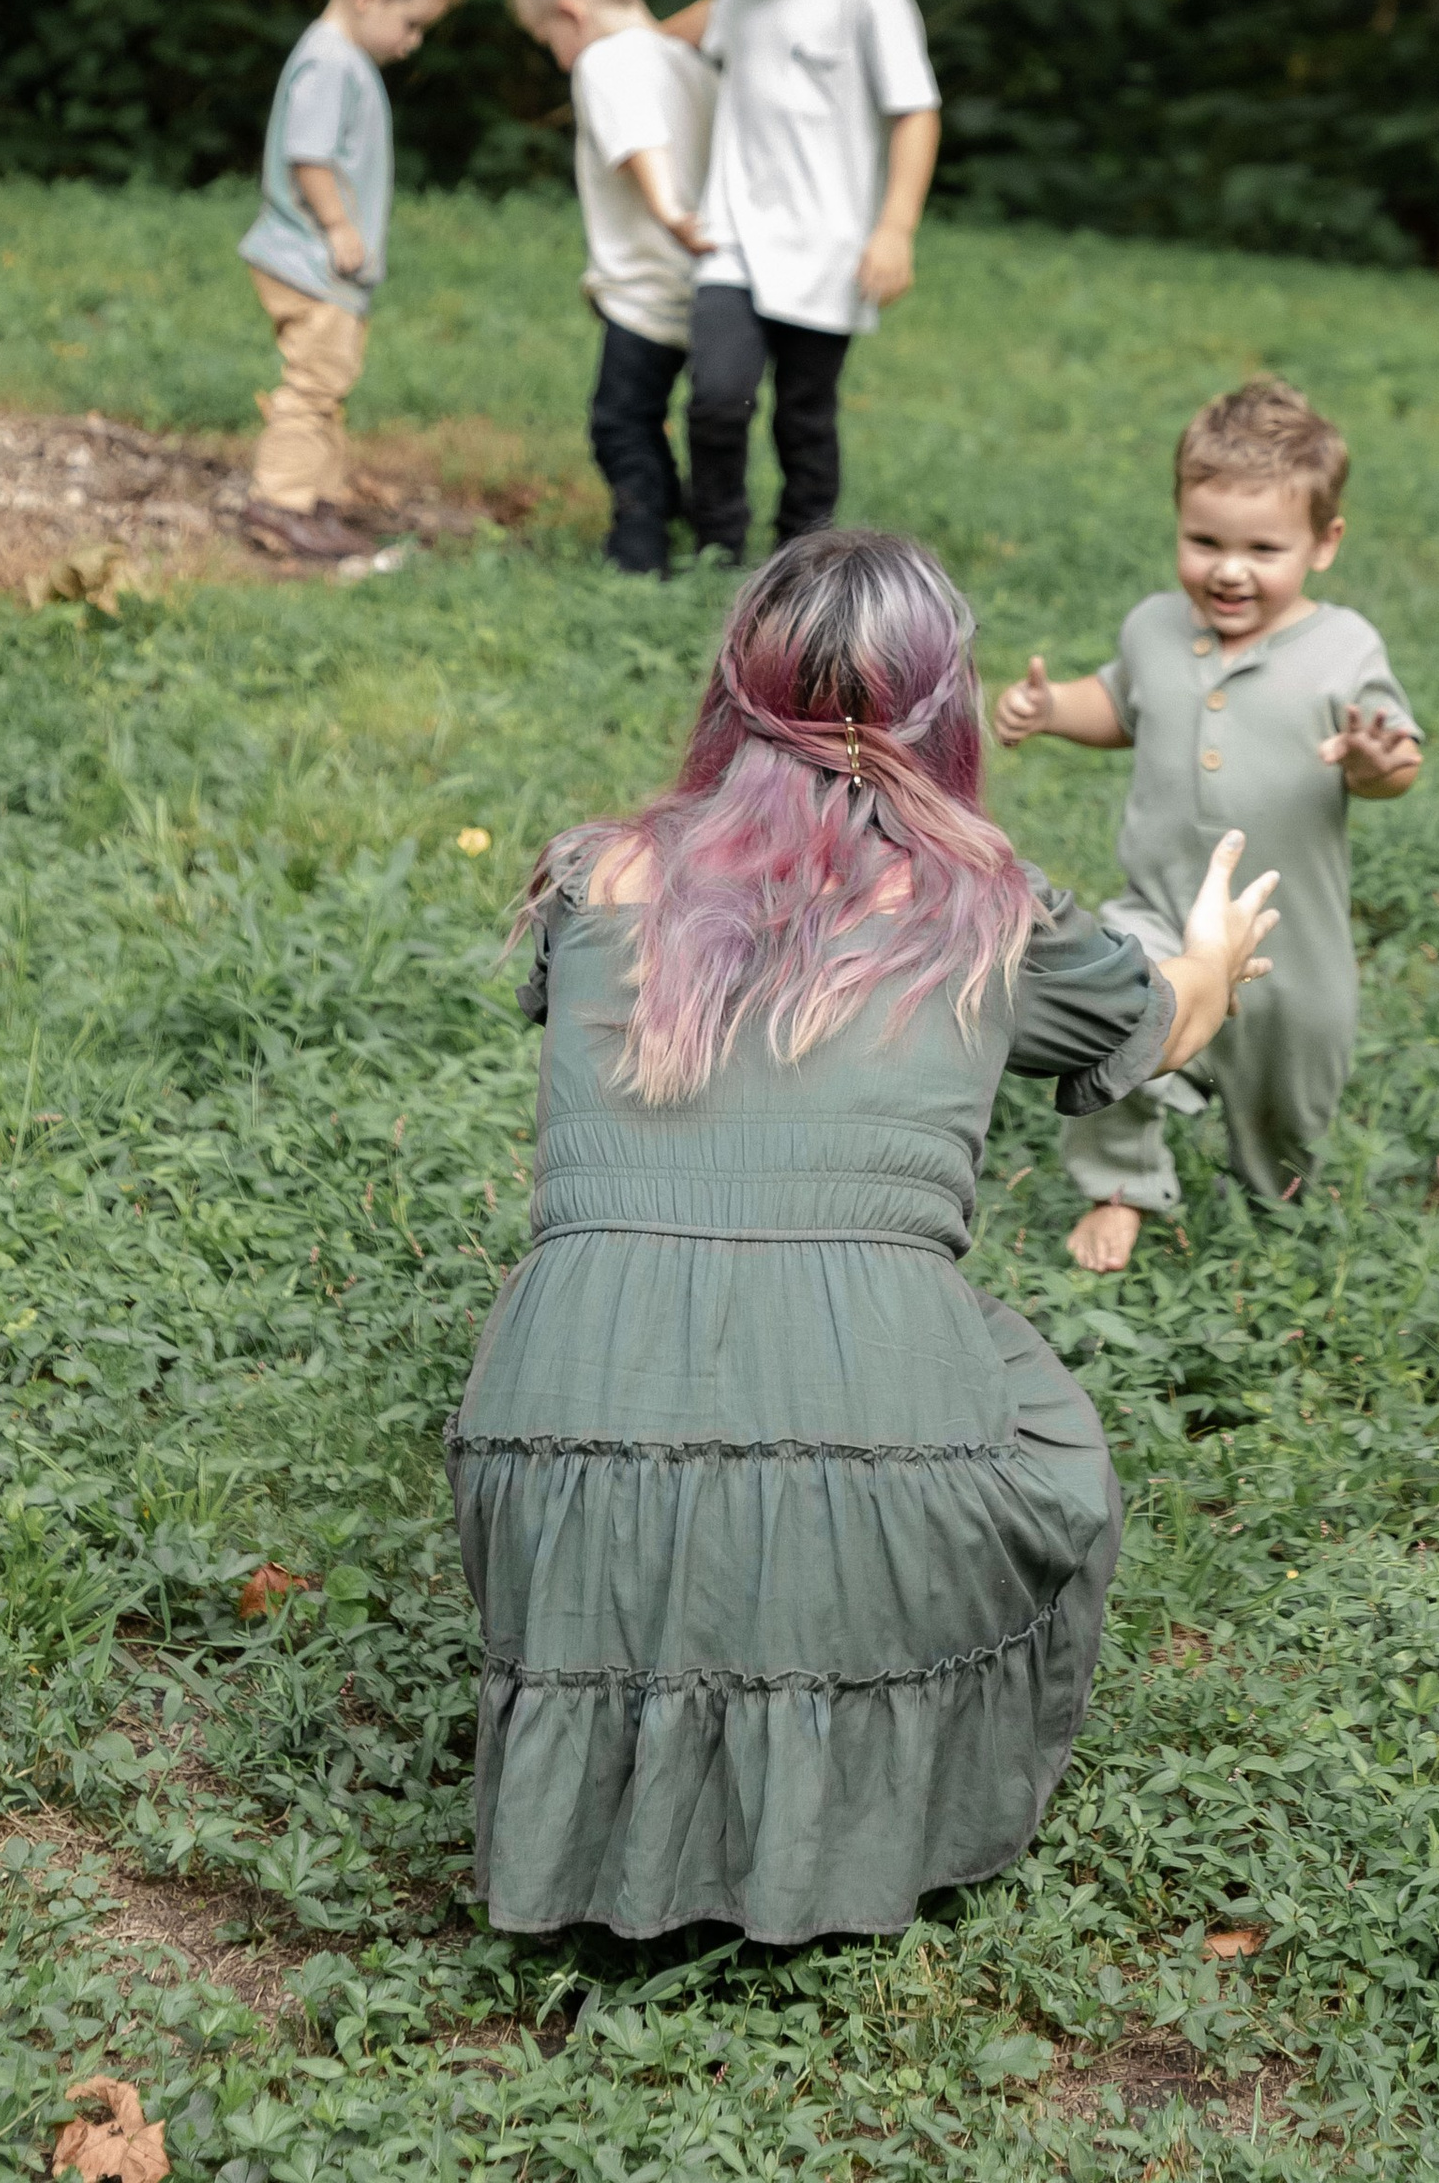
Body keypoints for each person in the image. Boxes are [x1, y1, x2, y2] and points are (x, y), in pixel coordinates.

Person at [450, 527, 1278, 1943]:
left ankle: (603, 1822)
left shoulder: (596, 877)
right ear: (944, 710)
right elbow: (1168, 1024)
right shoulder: (991, 911)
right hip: (871, 1438)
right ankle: (837, 1818)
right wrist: (1208, 957)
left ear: (731, 689)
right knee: (1021, 1432)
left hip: (559, 1422)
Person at [993, 377, 1422, 1273]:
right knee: (1121, 1022)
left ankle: (1277, 1197)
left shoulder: (1345, 649)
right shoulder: (1154, 628)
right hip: (1160, 908)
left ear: (1324, 543)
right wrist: (1049, 707)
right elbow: (1117, 704)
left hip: (1290, 942)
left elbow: (1395, 759)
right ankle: (1120, 1185)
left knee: (1286, 1109)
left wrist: (1379, 764)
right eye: (1204, 541)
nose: (1229, 569)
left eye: (1264, 548)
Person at [655, 0, 938, 563]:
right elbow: (717, 18)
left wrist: (895, 229)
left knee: (803, 417)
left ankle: (801, 560)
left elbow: (916, 112)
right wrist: (636, 43)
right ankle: (717, 543)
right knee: (716, 397)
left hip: (828, 250)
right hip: (733, 235)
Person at [237, 0, 466, 561]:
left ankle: (319, 500)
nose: (413, 39)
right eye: (412, 21)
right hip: (310, 259)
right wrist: (338, 226)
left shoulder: (337, 59)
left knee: (328, 384)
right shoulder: (330, 62)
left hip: (319, 263)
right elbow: (308, 156)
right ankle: (278, 505)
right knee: (312, 385)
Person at [511, 0, 716, 576]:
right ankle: (688, 513)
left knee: (620, 424)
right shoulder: (684, 59)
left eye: (550, 40)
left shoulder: (603, 61)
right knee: (659, 414)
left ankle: (639, 550)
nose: (558, 55)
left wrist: (668, 210)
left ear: (570, 13)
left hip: (645, 289)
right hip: (710, 283)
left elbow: (637, 143)